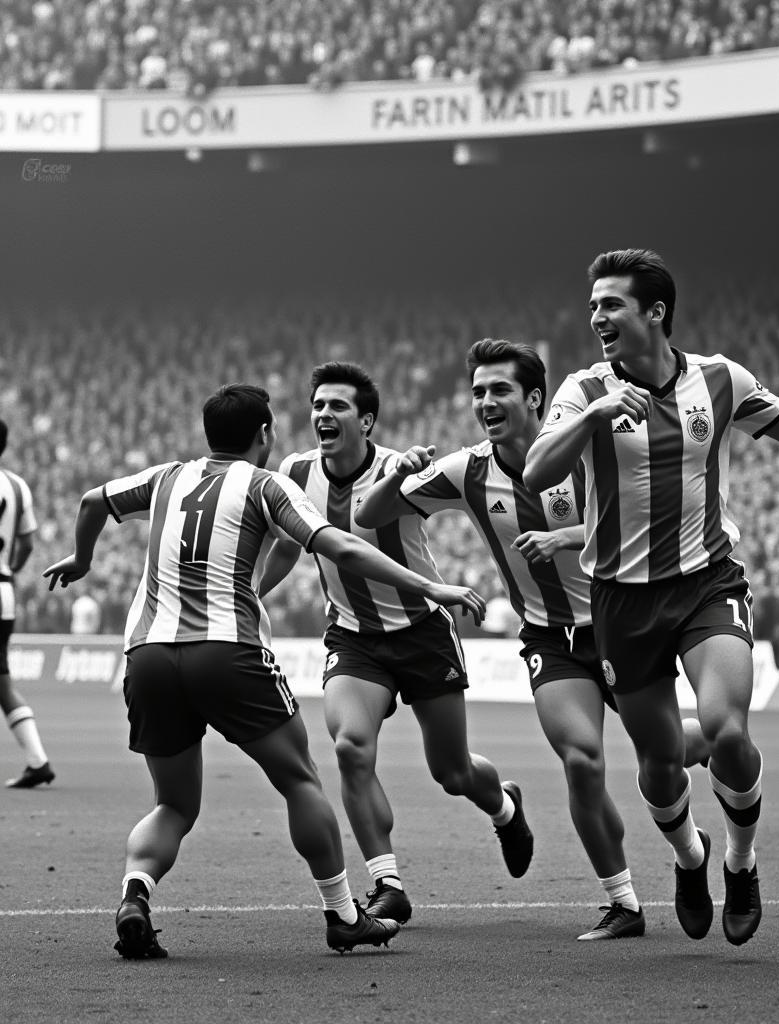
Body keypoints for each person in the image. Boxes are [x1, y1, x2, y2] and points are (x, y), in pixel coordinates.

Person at [523, 247, 779, 947]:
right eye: (593, 306)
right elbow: (536, 469)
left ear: (655, 312)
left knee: (729, 731)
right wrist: (597, 414)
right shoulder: (582, 390)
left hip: (707, 583)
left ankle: (741, 861)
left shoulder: (720, 379)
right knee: (661, 761)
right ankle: (690, 858)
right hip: (621, 600)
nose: (596, 317)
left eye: (611, 304)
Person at [43, 383, 487, 959]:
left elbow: (92, 501)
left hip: (148, 655)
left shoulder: (165, 477)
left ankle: (135, 894)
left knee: (173, 804)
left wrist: (82, 558)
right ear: (264, 435)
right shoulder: (266, 484)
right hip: (229, 652)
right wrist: (431, 585)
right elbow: (344, 548)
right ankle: (344, 914)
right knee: (299, 779)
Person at [357, 339, 710, 941]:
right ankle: (623, 902)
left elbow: (640, 516)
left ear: (536, 399)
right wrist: (398, 476)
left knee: (667, 756)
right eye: (478, 392)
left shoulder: (585, 448)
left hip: (620, 625)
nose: (485, 402)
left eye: (499, 390)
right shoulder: (468, 471)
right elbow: (370, 515)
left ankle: (694, 839)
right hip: (551, 639)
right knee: (582, 760)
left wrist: (563, 538)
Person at [258, 362, 534, 927]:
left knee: (453, 772)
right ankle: (386, 882)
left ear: (367, 420)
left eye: (337, 406)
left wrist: (408, 470)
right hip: (354, 639)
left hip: (423, 633)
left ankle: (505, 807)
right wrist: (251, 593)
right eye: (317, 406)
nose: (322, 415)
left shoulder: (399, 470)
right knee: (349, 748)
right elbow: (290, 544)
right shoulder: (295, 471)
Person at [0, 418, 55, 789]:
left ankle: (39, 761)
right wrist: (10, 570)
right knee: (2, 680)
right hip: (3, 590)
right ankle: (38, 761)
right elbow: (29, 541)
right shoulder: (16, 485)